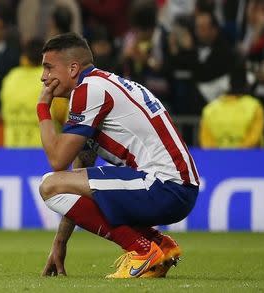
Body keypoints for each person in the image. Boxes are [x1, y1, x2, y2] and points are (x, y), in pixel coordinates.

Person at [37, 33, 199, 279]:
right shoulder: (104, 85)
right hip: (177, 187)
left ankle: (142, 250)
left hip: (163, 185)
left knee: (49, 185)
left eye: (49, 68)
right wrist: (60, 243)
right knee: (62, 183)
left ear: (72, 68)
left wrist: (42, 108)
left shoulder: (88, 89)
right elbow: (77, 173)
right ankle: (158, 244)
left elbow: (57, 161)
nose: (43, 77)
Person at [199, 57, 264, 148]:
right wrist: (237, 154)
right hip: (248, 159)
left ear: (229, 84)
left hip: (218, 160)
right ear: (246, 84)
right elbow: (254, 138)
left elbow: (206, 143)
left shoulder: (209, 109)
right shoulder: (254, 107)